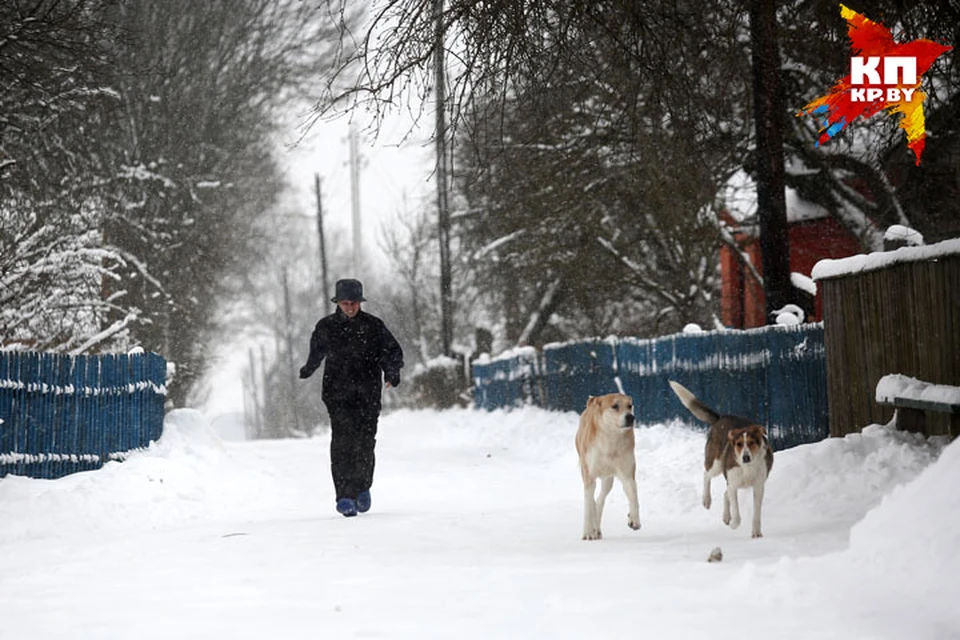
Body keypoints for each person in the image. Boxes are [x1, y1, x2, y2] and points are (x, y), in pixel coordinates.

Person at [299, 278, 404, 517]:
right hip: (337, 394)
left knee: (365, 442)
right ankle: (344, 495)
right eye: (346, 303)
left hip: (367, 393)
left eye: (354, 303)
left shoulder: (374, 326)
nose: (350, 308)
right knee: (343, 442)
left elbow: (392, 351)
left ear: (360, 303)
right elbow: (316, 351)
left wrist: (392, 373)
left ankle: (362, 487)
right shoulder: (326, 327)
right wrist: (309, 368)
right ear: (338, 302)